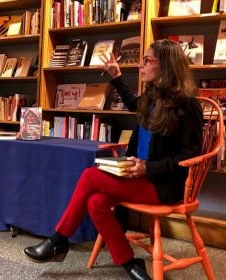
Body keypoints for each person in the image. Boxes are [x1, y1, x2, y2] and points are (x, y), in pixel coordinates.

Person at [24, 39, 204, 280]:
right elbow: (134, 104)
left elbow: (192, 154)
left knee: (89, 176)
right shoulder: (152, 97)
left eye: (147, 61)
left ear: (165, 66)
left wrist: (149, 168)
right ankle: (130, 263)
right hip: (137, 174)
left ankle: (58, 240)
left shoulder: (187, 105)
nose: (141, 66)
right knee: (96, 203)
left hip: (163, 184)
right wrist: (116, 76)